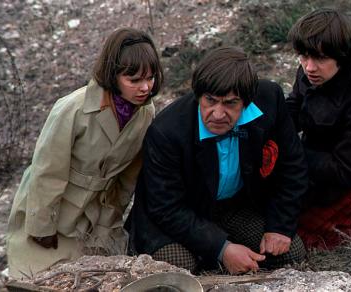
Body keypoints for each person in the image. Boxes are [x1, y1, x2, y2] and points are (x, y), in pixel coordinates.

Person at [125, 46, 308, 275]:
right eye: (210, 101)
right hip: (177, 216)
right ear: (199, 94)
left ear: (247, 102)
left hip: (233, 207)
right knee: (177, 267)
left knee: (289, 253)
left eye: (230, 103)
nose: (218, 113)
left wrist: (279, 226)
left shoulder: (270, 100)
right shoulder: (167, 131)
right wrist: (222, 249)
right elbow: (166, 207)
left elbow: (293, 166)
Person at [6, 27, 163, 278]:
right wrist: (42, 227)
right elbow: (48, 171)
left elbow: (126, 181)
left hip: (96, 216)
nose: (145, 87)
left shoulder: (145, 113)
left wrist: (108, 223)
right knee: (41, 279)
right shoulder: (73, 109)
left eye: (150, 78)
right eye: (134, 80)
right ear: (113, 75)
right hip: (55, 212)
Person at [286, 8, 351, 250]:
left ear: (341, 56)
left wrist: (291, 152)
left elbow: (348, 171)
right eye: (303, 56)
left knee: (287, 229)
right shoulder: (312, 66)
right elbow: (295, 105)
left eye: (319, 59)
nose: (309, 67)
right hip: (314, 158)